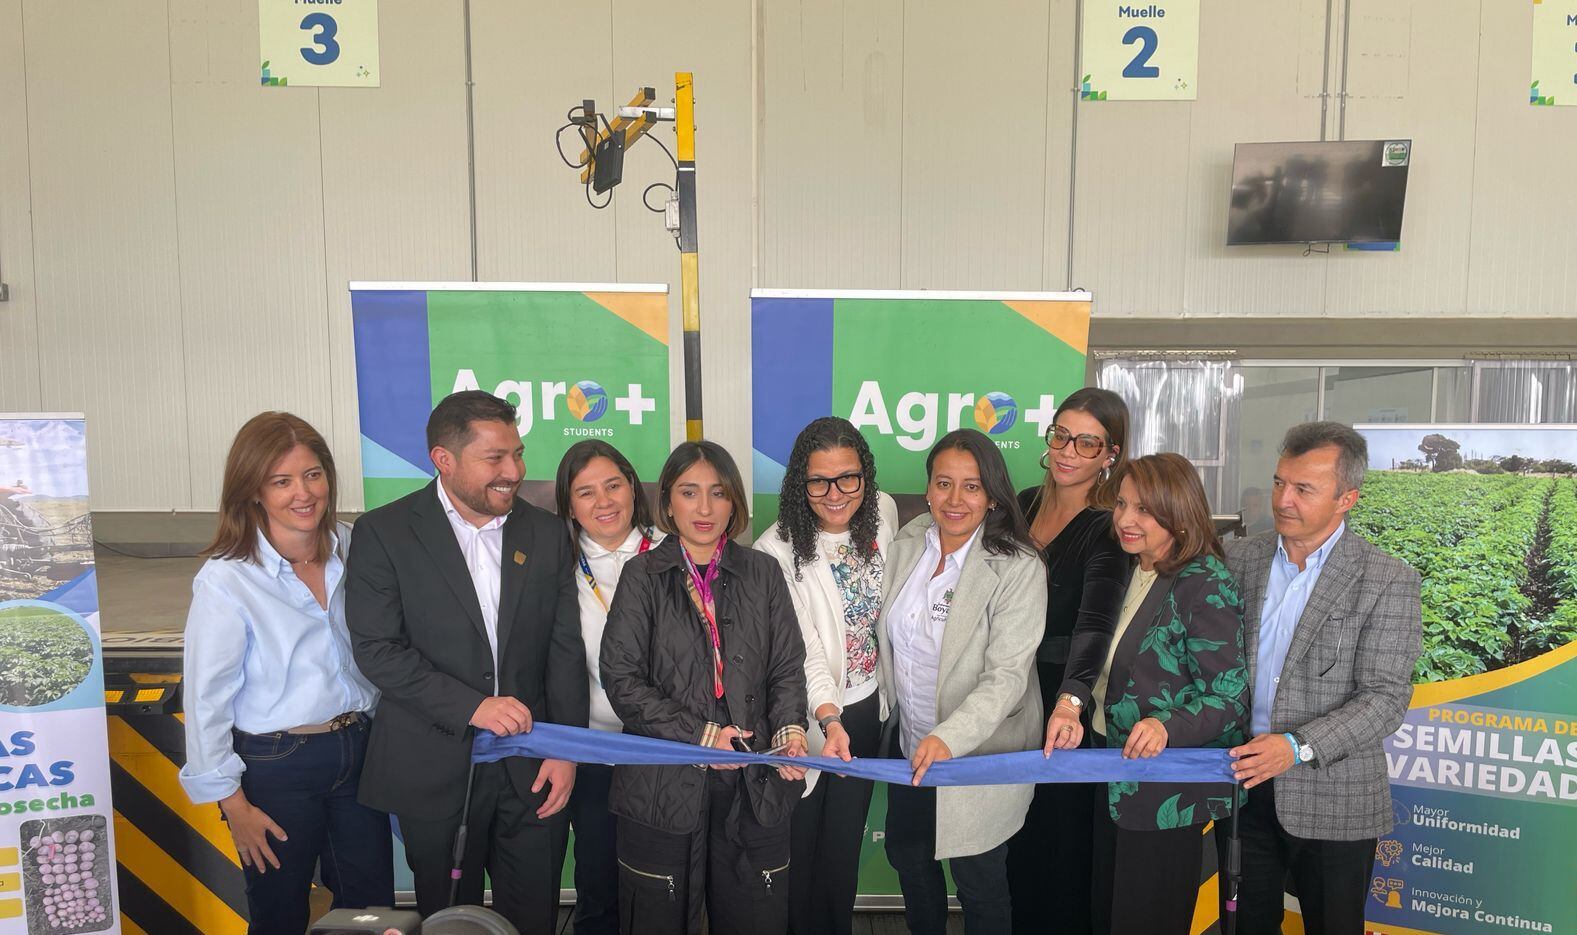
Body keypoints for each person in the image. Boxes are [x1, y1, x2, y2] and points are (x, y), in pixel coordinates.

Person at [346, 391, 586, 934]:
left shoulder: (545, 533)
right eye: (495, 458)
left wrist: (564, 748)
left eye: (518, 454)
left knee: (533, 917)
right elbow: (377, 651)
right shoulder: (384, 534)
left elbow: (563, 651)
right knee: (447, 918)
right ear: (443, 460)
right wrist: (473, 706)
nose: (514, 471)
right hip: (434, 769)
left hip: (533, 770)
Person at [179, 412, 391, 935]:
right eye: (282, 480)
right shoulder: (228, 580)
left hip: (360, 749)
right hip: (277, 765)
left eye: (313, 474)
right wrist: (235, 805)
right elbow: (207, 700)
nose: (303, 492)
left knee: (371, 910)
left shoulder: (354, 546)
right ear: (253, 490)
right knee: (279, 912)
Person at [599, 440, 810, 935]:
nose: (705, 507)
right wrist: (701, 734)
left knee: (755, 916)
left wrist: (790, 732)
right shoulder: (642, 575)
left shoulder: (762, 572)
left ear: (734, 500)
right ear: (667, 501)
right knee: (657, 917)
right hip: (663, 783)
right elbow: (621, 679)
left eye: (718, 493)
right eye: (689, 492)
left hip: (753, 780)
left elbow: (786, 667)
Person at [1219, 422, 1422, 935]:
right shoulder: (1237, 558)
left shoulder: (1388, 579)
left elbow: (1385, 697)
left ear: (1346, 498)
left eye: (1303, 488)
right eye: (1279, 481)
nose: (1284, 499)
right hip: (1243, 788)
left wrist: (1296, 746)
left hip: (1338, 796)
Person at [1064, 453, 1248, 935]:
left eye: (1144, 510)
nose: (1125, 519)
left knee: (1145, 920)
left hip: (1164, 795)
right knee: (1106, 913)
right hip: (1108, 771)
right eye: (1122, 504)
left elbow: (1228, 697)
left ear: (1177, 511)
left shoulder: (1203, 582)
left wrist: (1166, 725)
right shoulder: (1127, 570)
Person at [878, 428, 1046, 935]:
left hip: (980, 751)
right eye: (943, 483)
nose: (955, 499)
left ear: (992, 495)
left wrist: (947, 738)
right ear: (927, 488)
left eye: (971, 486)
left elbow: (1007, 677)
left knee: (980, 884)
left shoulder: (1018, 566)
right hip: (909, 747)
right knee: (911, 863)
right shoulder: (908, 542)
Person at [755, 417, 898, 935]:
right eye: (819, 481)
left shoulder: (882, 513)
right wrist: (829, 719)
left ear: (866, 477)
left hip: (869, 709)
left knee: (842, 849)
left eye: (848, 478)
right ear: (799, 482)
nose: (835, 494)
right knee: (800, 847)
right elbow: (803, 653)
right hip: (812, 717)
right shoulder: (776, 551)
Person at [1004, 388, 1129, 935]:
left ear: (1111, 455)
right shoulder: (1024, 501)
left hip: (1064, 703)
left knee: (1060, 848)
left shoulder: (1108, 527)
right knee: (1013, 841)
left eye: (1088, 442)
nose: (1069, 450)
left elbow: (1096, 624)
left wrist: (1071, 701)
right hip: (1006, 689)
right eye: (1061, 434)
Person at [553, 440, 663, 935]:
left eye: (613, 485)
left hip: (668, 750)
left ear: (633, 488)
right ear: (569, 506)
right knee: (598, 882)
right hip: (594, 748)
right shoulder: (553, 567)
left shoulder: (674, 552)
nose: (604, 502)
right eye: (586, 492)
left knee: (666, 881)